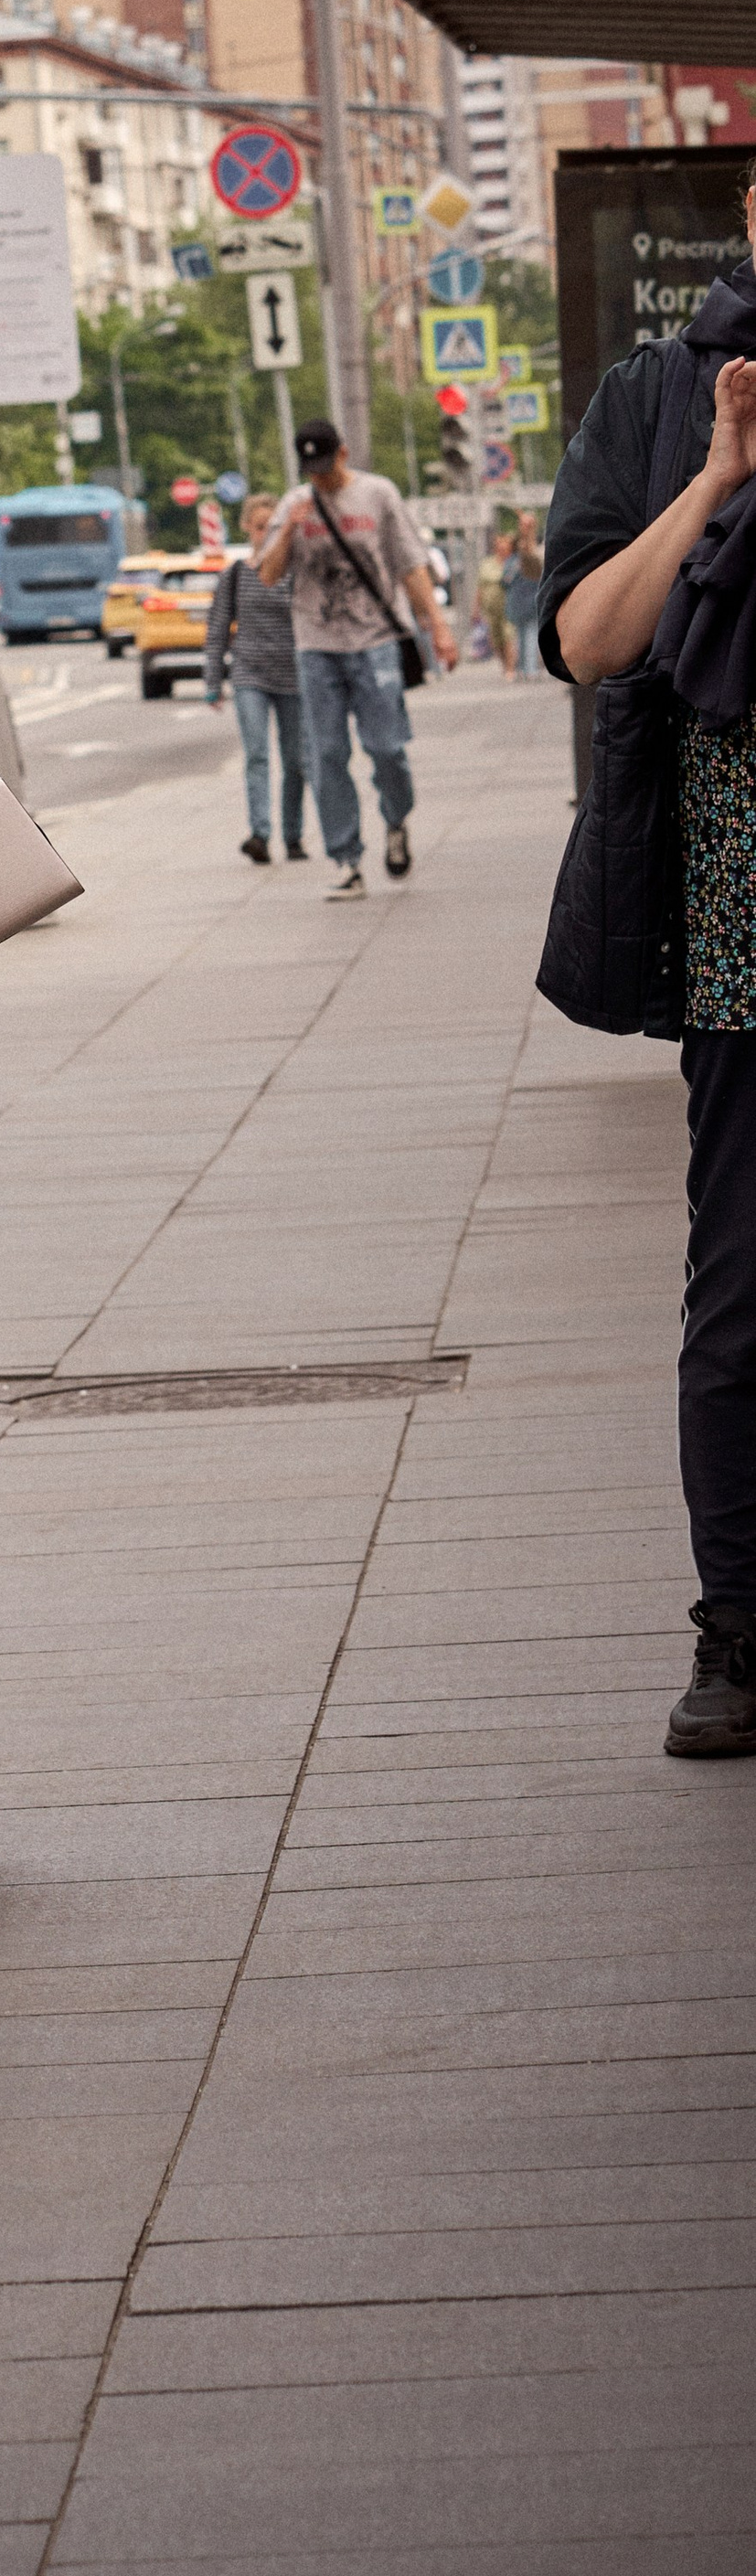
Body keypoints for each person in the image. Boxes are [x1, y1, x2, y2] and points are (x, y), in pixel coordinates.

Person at [539, 200, 756, 1754]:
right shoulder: (658, 396)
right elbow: (589, 637)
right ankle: (736, 1633)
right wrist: (717, 486)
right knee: (744, 1286)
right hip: (744, 912)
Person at [253, 419, 457, 899]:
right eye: (311, 470)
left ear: (343, 454)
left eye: (326, 466)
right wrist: (288, 534)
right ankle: (346, 860)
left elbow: (411, 563)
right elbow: (267, 575)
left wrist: (438, 626)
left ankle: (396, 820)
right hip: (317, 646)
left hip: (376, 640)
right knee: (326, 756)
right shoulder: (293, 505)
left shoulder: (379, 495)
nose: (319, 478)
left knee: (387, 748)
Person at [202, 493, 309, 863]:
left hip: (294, 675)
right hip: (250, 673)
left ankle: (293, 836)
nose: (266, 533)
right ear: (248, 527)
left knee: (296, 760)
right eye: (260, 526)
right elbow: (218, 627)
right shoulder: (236, 573)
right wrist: (213, 680)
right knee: (257, 756)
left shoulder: (295, 570)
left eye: (273, 526)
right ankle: (260, 835)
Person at [504, 514, 543, 679]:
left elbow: (505, 582)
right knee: (528, 637)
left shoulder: (513, 561)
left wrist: (528, 532)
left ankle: (525, 668)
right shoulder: (517, 560)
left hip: (522, 603)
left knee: (524, 636)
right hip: (527, 603)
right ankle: (529, 669)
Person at [477, 526, 517, 676]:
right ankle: (504, 664)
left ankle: (510, 669)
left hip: (508, 605)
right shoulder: (487, 563)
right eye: (498, 544)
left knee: (508, 636)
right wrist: (476, 609)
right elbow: (480, 587)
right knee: (496, 639)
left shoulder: (513, 563)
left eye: (504, 544)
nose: (500, 547)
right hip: (490, 608)